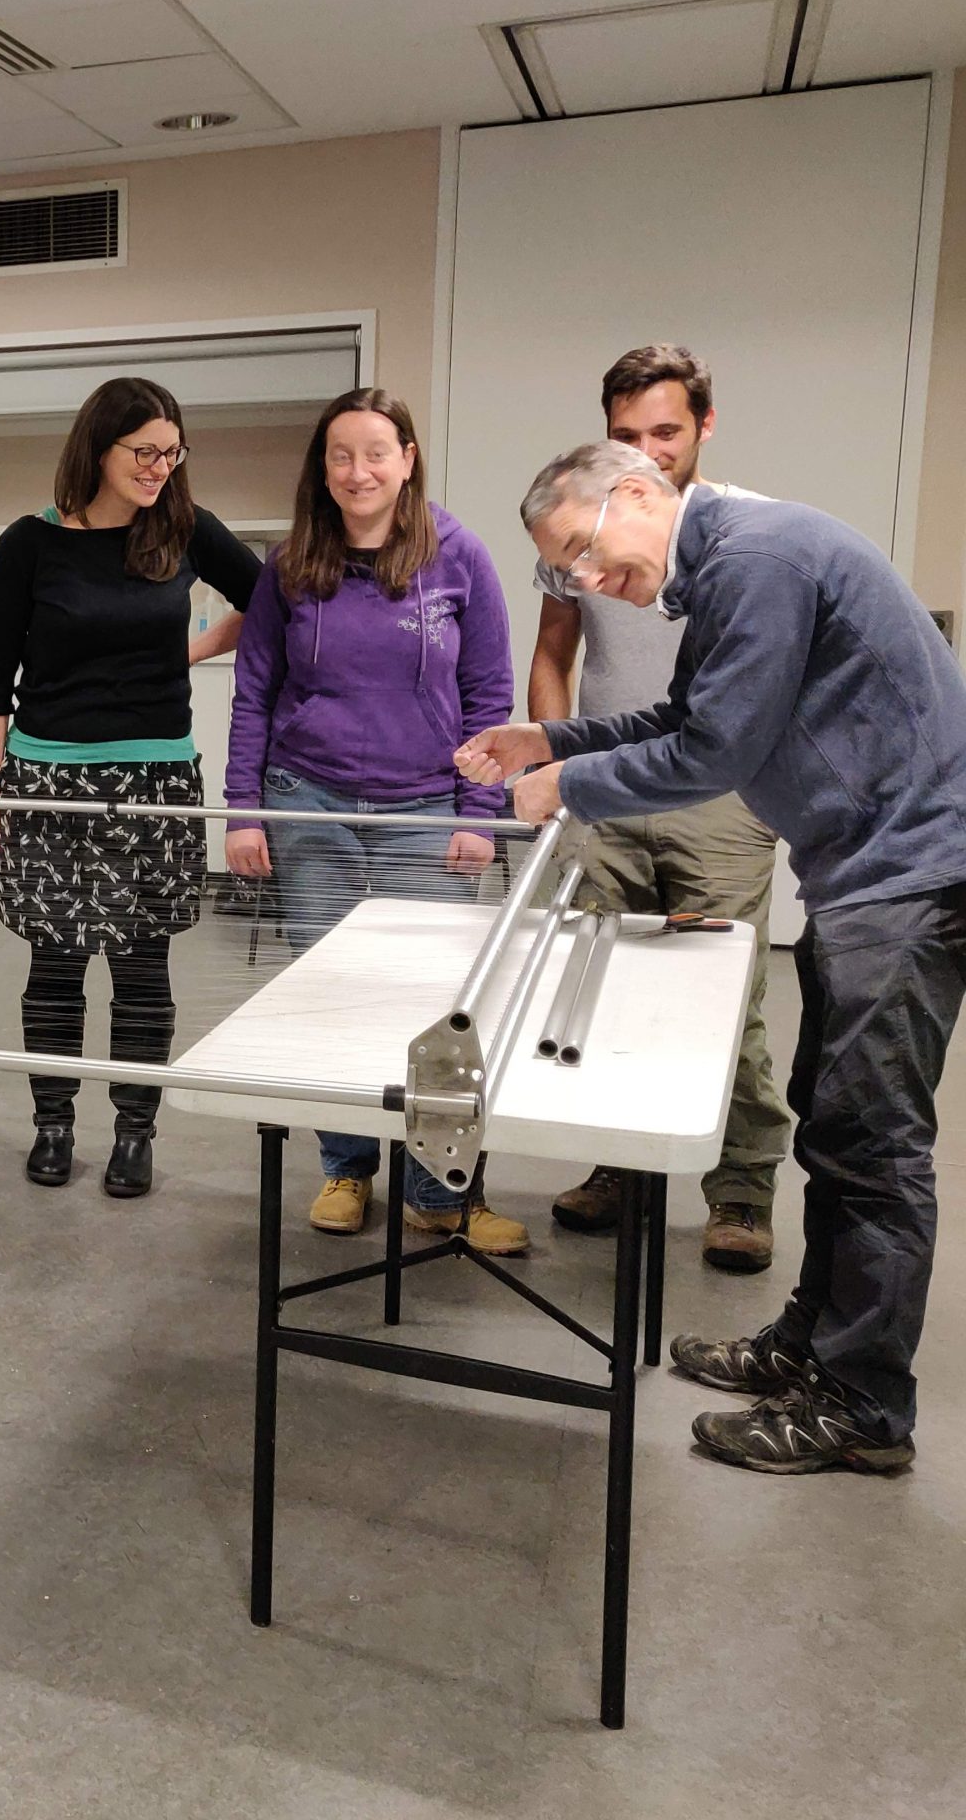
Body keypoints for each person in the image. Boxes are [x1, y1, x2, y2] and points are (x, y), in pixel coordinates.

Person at [461, 443, 966, 1476]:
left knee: (871, 1148)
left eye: (583, 552)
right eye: (563, 576)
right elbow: (688, 718)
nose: (588, 585)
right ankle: (813, 1351)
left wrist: (570, 790)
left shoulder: (757, 559)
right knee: (835, 1128)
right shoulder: (730, 563)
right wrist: (550, 742)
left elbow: (714, 754)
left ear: (637, 494)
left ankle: (864, 1406)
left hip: (904, 872)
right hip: (864, 871)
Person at [226, 387, 524, 1252]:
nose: (359, 472)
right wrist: (246, 812)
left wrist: (480, 813)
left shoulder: (458, 554)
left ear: (407, 459)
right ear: (323, 468)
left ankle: (441, 1188)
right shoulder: (289, 566)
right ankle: (347, 1168)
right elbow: (254, 695)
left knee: (435, 1007)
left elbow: (489, 695)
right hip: (307, 800)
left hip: (427, 806)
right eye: (341, 456)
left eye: (376, 454)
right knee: (329, 999)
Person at [527, 345, 790, 1271]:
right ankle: (618, 1169)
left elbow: (732, 709)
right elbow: (554, 654)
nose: (646, 451)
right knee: (599, 988)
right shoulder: (575, 531)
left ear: (703, 427)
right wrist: (560, 763)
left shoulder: (745, 537)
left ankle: (743, 1190)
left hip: (718, 800)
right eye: (626, 434)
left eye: (666, 432)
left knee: (729, 998)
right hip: (605, 792)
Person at [0, 376, 260, 1197]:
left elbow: (266, 601)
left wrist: (192, 653)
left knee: (142, 967)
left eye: (172, 452)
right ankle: (53, 1124)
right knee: (55, 966)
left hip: (154, 779)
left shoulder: (186, 530)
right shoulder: (29, 542)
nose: (160, 467)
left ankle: (136, 1131)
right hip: (48, 779)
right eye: (144, 451)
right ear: (98, 448)